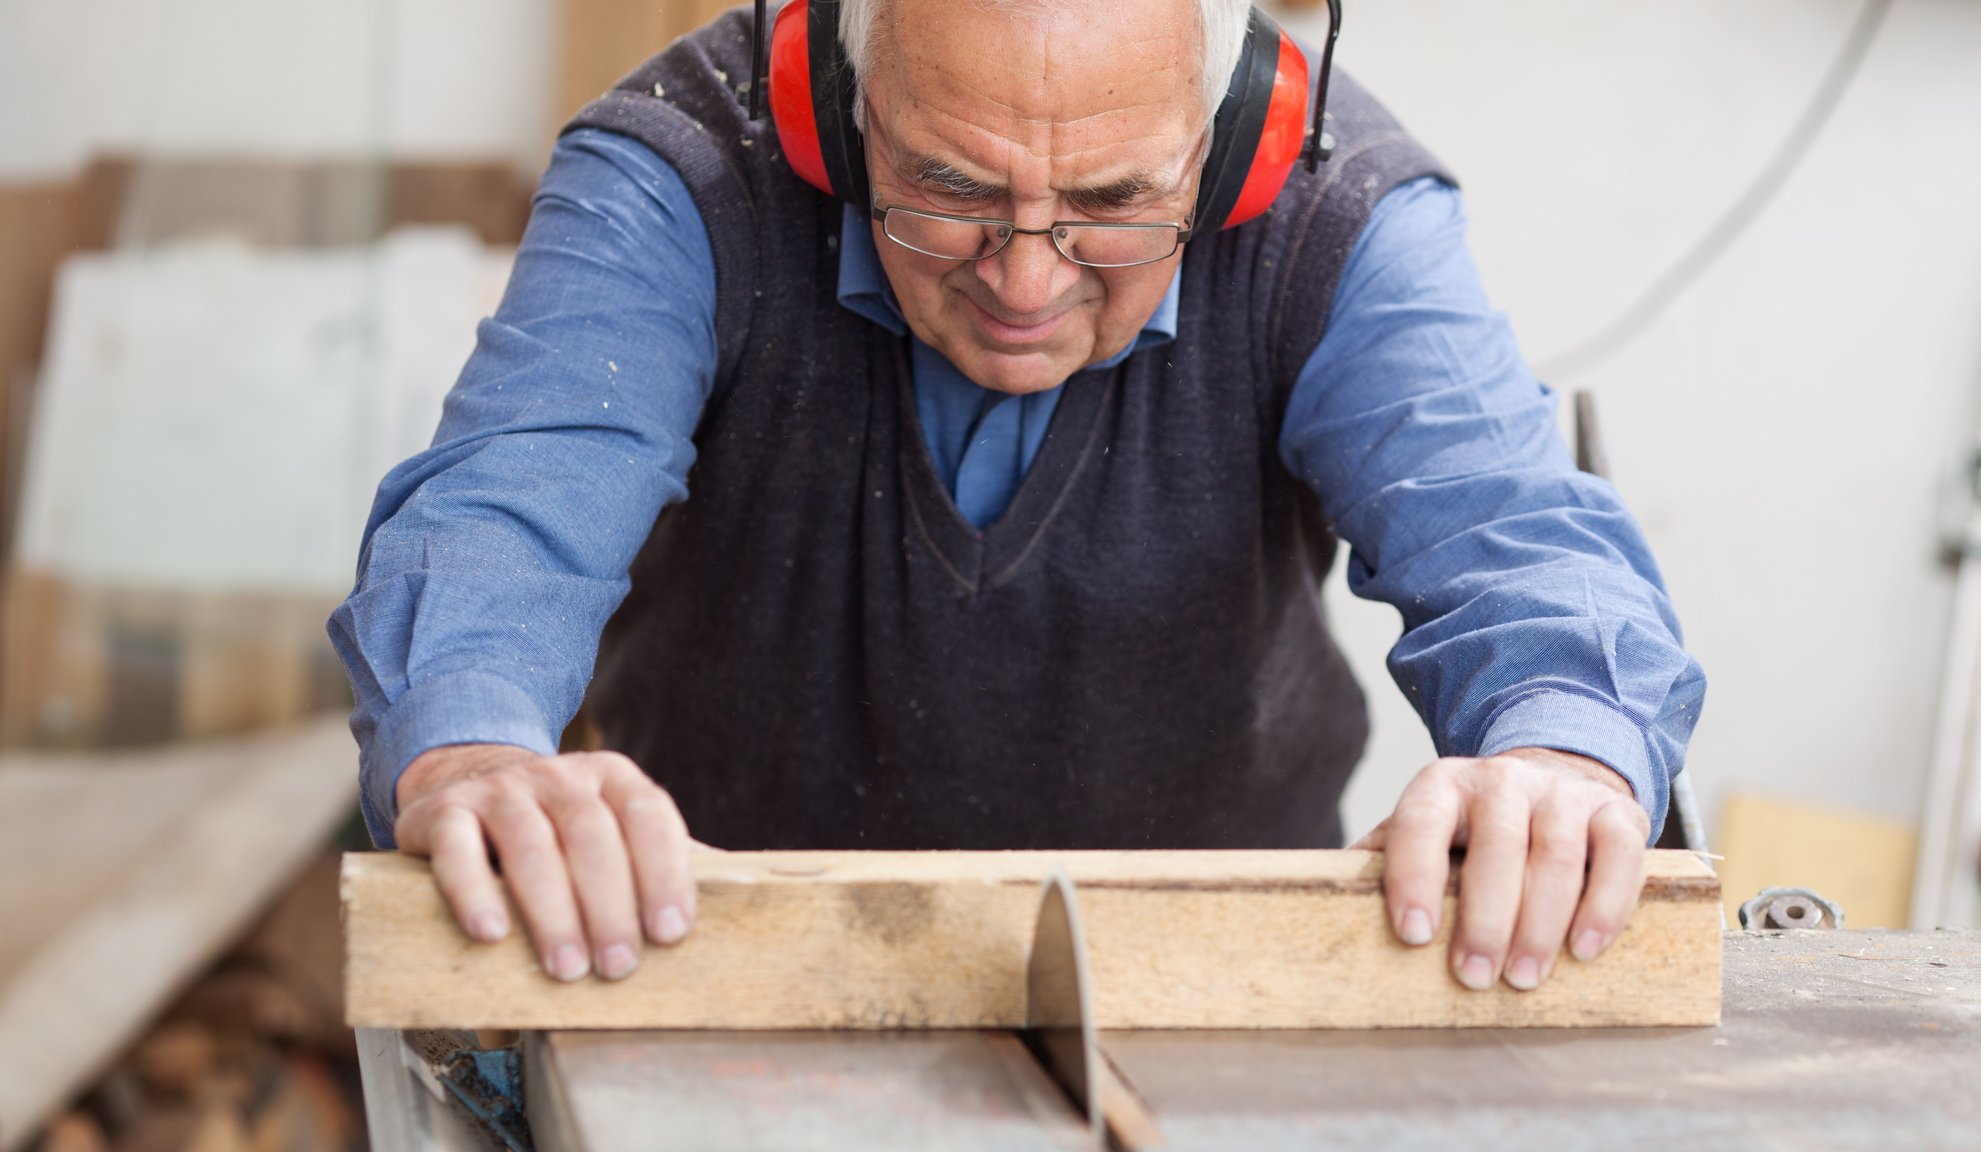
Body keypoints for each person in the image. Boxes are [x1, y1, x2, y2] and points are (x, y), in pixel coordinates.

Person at [330, 0, 1704, 996]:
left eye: (1112, 204)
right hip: (710, 976)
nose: (1028, 282)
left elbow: (1514, 533)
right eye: (946, 188)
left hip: (1220, 997)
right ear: (829, 110)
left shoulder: (1333, 210)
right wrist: (473, 750)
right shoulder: (686, 173)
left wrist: (1564, 753)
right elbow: (505, 515)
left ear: (1227, 150)